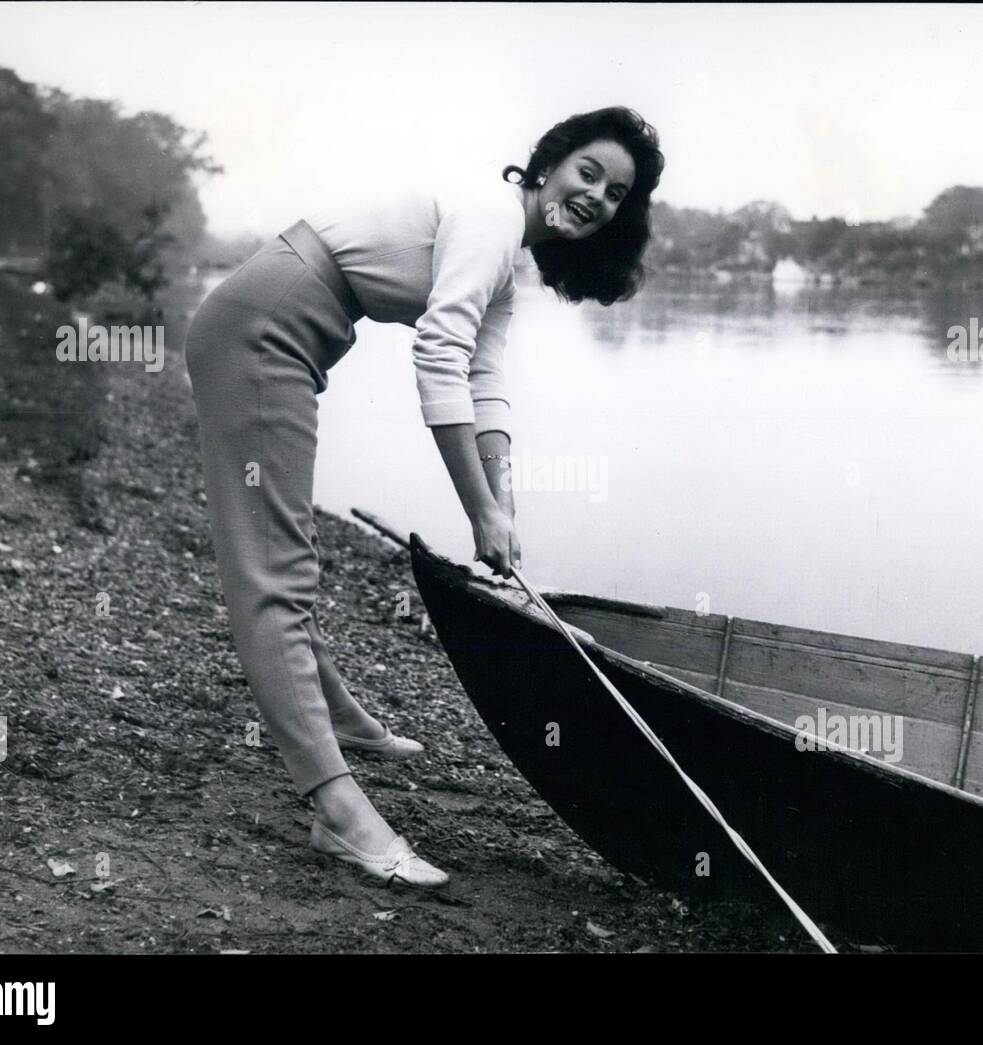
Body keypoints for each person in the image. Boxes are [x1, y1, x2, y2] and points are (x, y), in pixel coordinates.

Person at [183, 106, 664, 889]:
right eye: (589, 171)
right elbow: (438, 359)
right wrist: (477, 513)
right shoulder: (488, 218)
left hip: (287, 329)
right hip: (263, 329)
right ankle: (339, 813)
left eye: (615, 194)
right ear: (549, 162)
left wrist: (501, 503)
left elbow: (485, 377)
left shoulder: (507, 254)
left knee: (288, 543)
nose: (596, 196)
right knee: (271, 573)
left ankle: (337, 715)